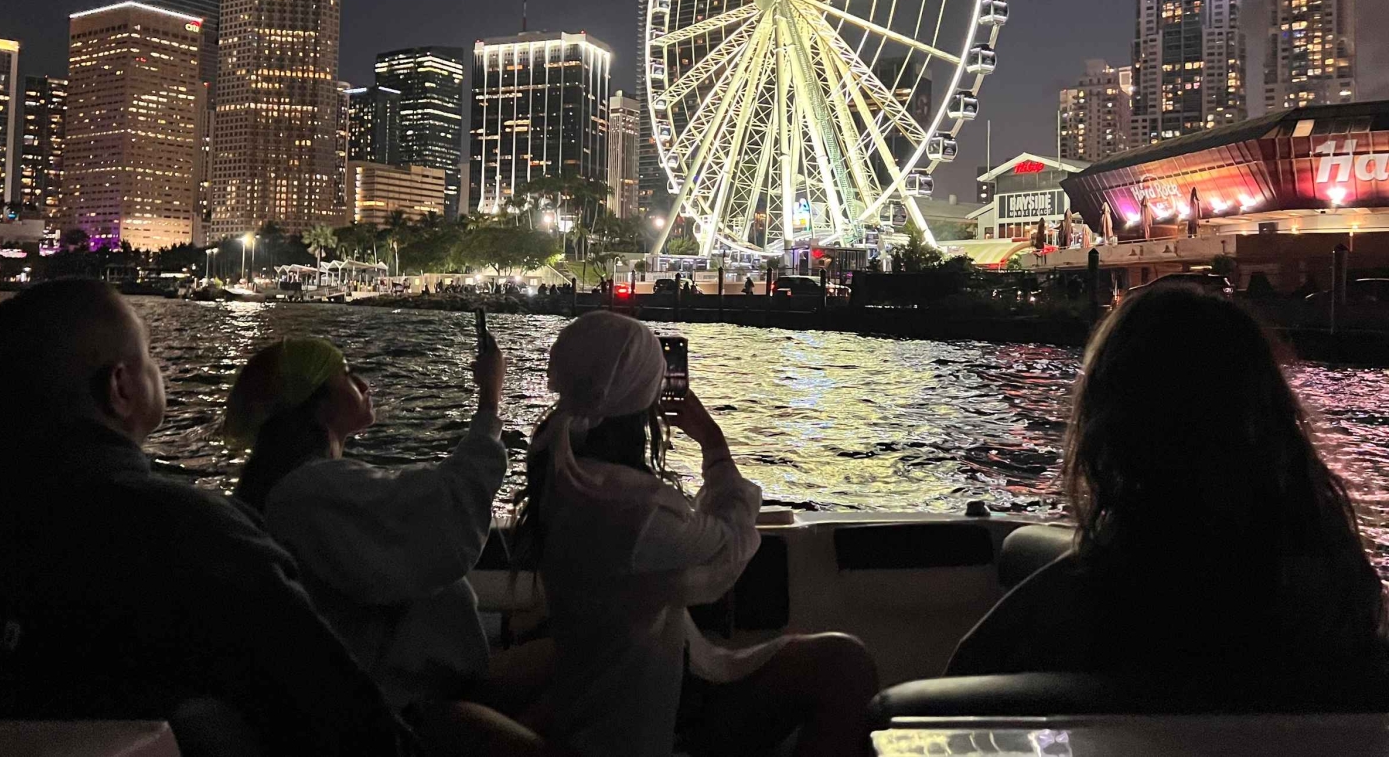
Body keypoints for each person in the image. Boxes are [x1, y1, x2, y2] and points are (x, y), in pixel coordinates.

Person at [0, 279, 407, 755]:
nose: (159, 370)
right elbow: (350, 717)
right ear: (121, 387)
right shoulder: (197, 535)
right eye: (150, 356)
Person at [947, 287, 1389, 708]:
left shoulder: (1060, 608)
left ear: (1111, 429)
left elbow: (954, 695)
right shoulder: (1338, 592)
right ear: (1271, 414)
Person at [510, 312, 878, 757]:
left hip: (621, 691)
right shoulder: (635, 508)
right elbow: (730, 549)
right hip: (644, 720)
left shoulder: (563, 476)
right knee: (845, 665)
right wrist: (712, 441)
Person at [224, 333, 551, 754]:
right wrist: (489, 402)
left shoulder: (306, 487)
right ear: (315, 402)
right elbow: (443, 516)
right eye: (346, 374)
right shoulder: (310, 492)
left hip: (418, 685)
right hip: (395, 710)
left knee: (581, 664)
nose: (364, 383)